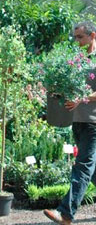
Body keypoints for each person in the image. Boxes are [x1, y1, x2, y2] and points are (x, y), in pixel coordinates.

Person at [44, 21, 96, 225]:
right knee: (92, 172)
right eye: (75, 37)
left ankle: (66, 213)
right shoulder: (79, 59)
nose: (77, 41)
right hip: (79, 120)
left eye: (80, 37)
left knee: (83, 166)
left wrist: (82, 98)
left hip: (93, 122)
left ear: (93, 35)